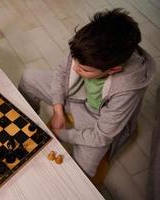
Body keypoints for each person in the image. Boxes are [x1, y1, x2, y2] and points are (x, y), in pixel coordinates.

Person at [18, 8, 155, 177]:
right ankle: (25, 125)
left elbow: (102, 136)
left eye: (84, 69)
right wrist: (58, 109)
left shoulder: (129, 88)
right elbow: (62, 72)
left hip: (97, 119)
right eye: (75, 61)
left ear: (113, 69)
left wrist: (62, 134)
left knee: (84, 168)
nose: (75, 67)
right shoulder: (85, 45)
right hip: (75, 97)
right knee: (28, 78)